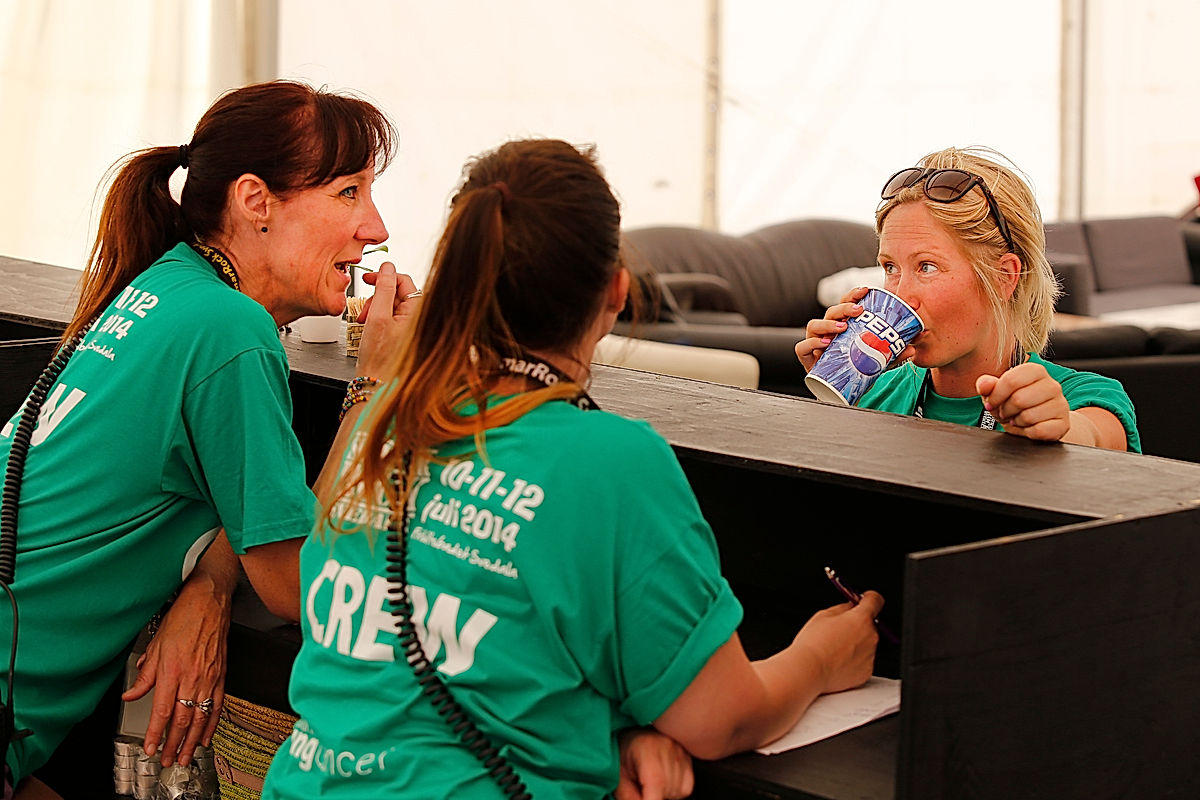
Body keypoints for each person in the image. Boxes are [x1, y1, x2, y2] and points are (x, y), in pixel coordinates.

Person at [261, 138, 883, 800]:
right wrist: (820, 658)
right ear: (616, 292)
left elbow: (450, 638)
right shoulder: (610, 461)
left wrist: (604, 727)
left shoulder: (382, 417)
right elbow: (721, 719)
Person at [0, 79, 418, 798]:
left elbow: (217, 486)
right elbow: (298, 586)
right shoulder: (231, 332)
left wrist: (211, 583)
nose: (375, 227)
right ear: (256, 202)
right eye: (348, 193)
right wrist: (377, 385)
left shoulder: (168, 283)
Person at [795, 146, 1140, 452]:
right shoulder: (875, 392)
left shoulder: (1084, 397)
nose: (900, 295)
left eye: (927, 267)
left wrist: (1058, 426)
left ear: (1004, 277)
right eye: (890, 267)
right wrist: (834, 399)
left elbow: (1096, 435)